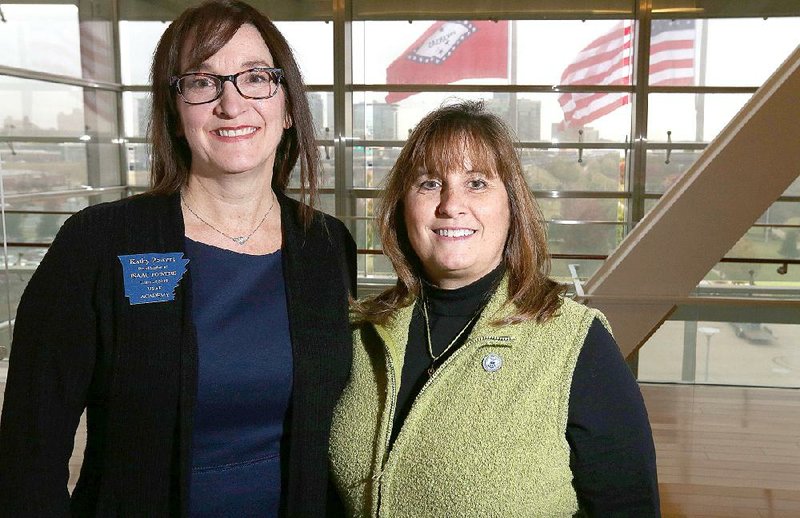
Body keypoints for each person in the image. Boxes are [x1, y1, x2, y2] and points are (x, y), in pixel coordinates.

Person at [0, 1, 355, 516]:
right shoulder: (99, 243)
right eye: (202, 81)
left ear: (287, 105)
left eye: (255, 77)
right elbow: (29, 451)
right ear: (174, 108)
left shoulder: (325, 244)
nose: (231, 105)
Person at [329, 100, 659, 517]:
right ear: (402, 208)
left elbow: (629, 506)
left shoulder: (576, 344)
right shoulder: (359, 334)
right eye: (429, 183)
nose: (451, 204)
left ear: (511, 206)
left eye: (477, 183)